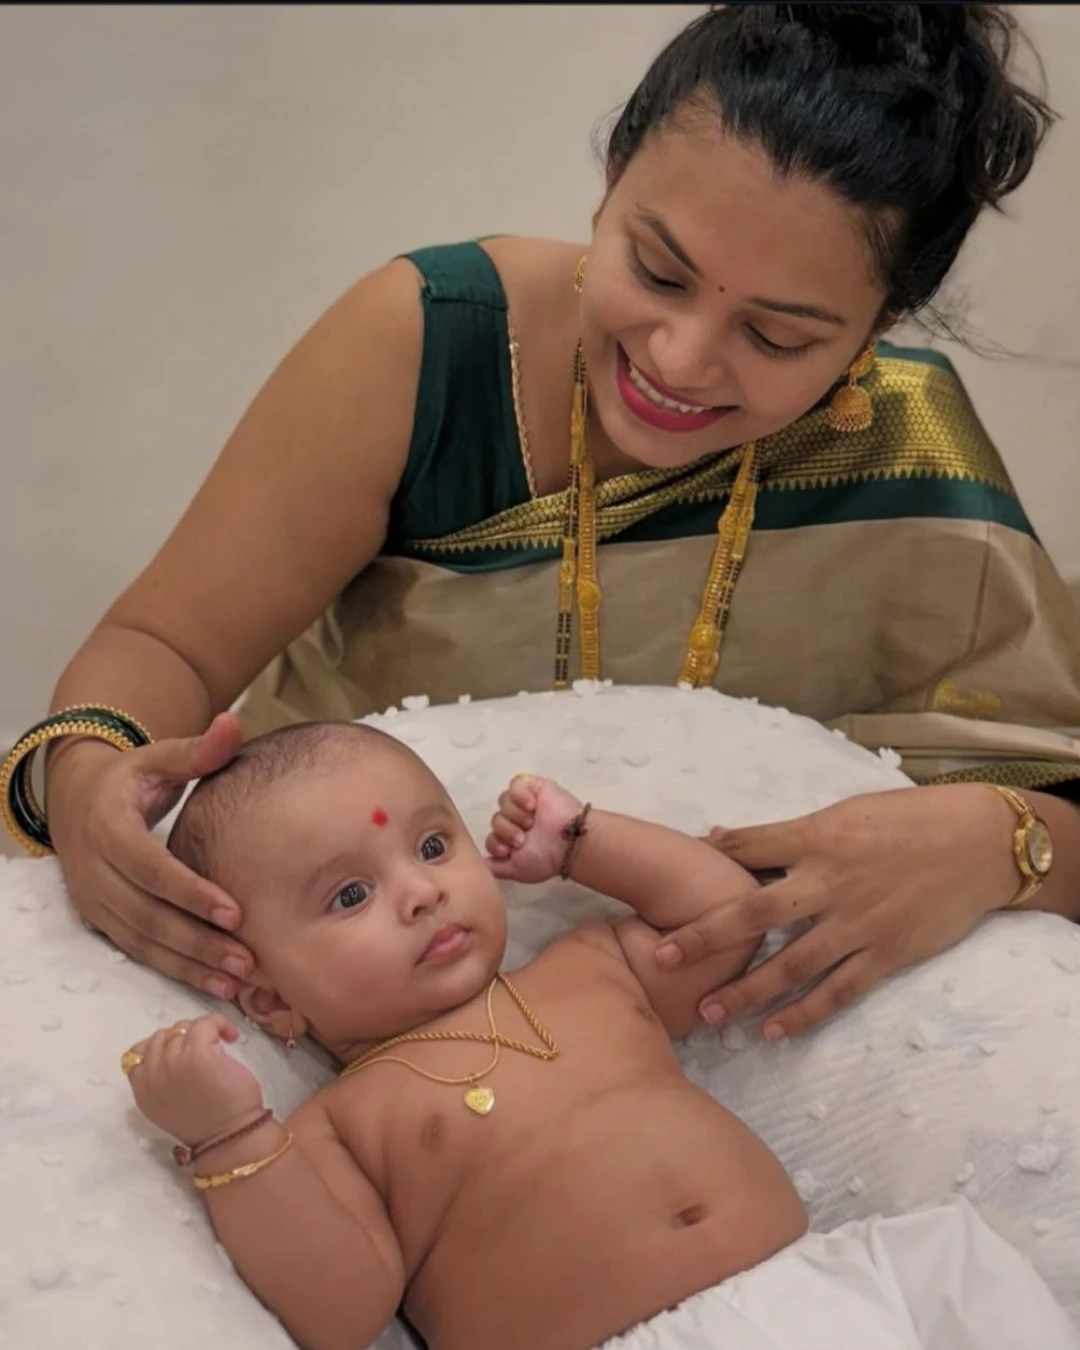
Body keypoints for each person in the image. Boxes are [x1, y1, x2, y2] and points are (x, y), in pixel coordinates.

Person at [6, 5, 1080, 1039]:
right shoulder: (427, 350)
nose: (680, 359)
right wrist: (92, 773)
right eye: (656, 271)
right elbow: (163, 647)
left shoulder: (908, 449)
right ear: (614, 173)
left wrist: (1003, 841)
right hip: (344, 996)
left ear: (878, 325)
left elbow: (1050, 800)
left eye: (779, 334)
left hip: (677, 1041)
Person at [120, 722, 1079, 1350]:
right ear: (274, 1003)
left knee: (971, 1279)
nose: (418, 892)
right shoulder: (339, 1126)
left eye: (430, 846)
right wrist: (229, 1137)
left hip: (830, 1298)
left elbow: (723, 912)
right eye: (350, 895)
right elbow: (337, 1309)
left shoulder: (589, 971)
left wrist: (585, 839)